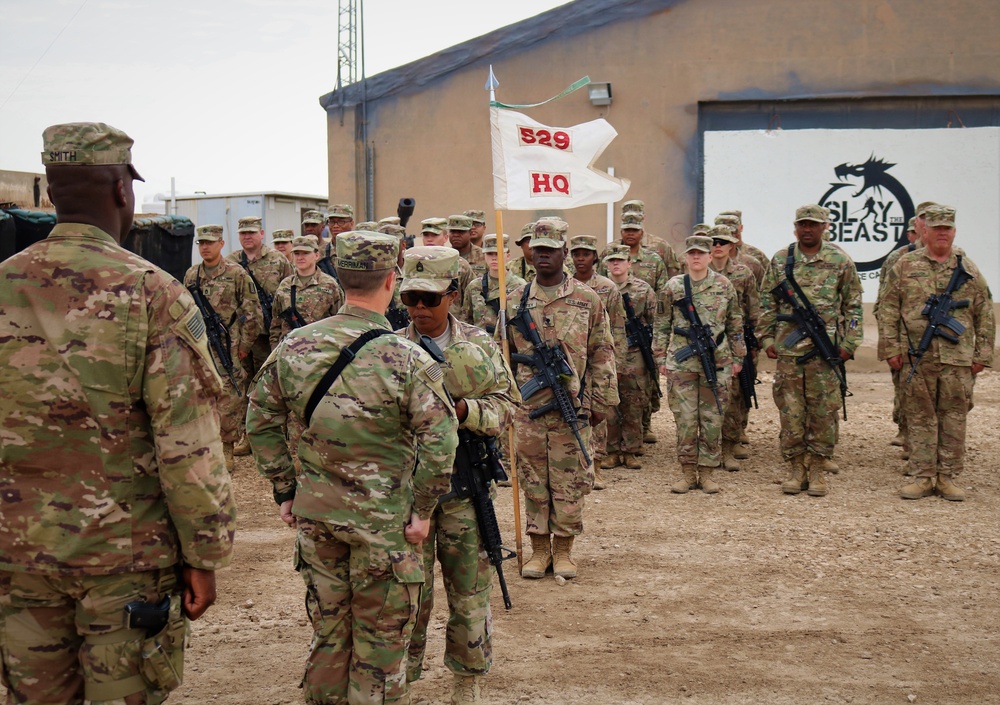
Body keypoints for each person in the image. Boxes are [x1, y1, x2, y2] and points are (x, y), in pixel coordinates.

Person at [0, 121, 236, 704]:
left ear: (52, 193)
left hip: (17, 555)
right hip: (123, 561)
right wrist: (203, 554)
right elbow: (187, 446)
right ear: (122, 191)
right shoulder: (152, 293)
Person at [247, 231, 458, 705]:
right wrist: (423, 510)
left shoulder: (295, 347)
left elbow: (258, 420)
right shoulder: (407, 357)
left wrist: (285, 489)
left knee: (329, 634)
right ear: (391, 281)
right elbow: (441, 439)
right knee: (380, 644)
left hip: (318, 516)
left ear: (340, 279)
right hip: (386, 524)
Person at [397, 246, 519, 705]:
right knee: (409, 596)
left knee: (469, 594)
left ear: (453, 295)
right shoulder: (389, 346)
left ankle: (467, 682)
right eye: (411, 299)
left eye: (430, 299)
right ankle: (400, 682)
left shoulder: (480, 345)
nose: (419, 309)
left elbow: (508, 406)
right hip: (407, 495)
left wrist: (465, 410)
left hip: (465, 489)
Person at [499, 219, 619, 580]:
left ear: (564, 252)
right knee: (533, 477)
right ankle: (538, 550)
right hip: (528, 407)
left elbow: (602, 351)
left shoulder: (587, 299)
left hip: (573, 405)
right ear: (531, 253)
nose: (543, 255)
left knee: (570, 478)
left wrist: (602, 400)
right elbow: (500, 354)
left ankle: (564, 549)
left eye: (551, 249)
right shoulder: (516, 300)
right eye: (538, 250)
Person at [878, 205, 995, 501]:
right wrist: (891, 348)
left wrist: (982, 354)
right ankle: (923, 475)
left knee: (954, 416)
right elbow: (888, 308)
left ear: (954, 232)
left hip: (957, 358)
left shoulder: (967, 268)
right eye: (937, 228)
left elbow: (984, 313)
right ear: (924, 231)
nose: (942, 233)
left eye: (948, 229)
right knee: (919, 416)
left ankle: (947, 476)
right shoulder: (905, 265)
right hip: (918, 356)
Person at [759, 204, 864, 497]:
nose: (808, 229)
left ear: (824, 228)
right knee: (791, 412)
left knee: (822, 411)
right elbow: (766, 303)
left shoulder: (839, 260)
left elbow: (853, 307)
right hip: (789, 353)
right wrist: (766, 339)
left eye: (814, 225)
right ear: (796, 228)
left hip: (825, 352)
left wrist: (849, 344)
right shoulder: (782, 260)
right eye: (803, 224)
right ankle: (795, 468)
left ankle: (817, 469)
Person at [656, 235, 745, 494]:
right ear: (686, 257)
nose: (696, 257)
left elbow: (735, 323)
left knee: (712, 418)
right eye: (692, 253)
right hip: (681, 362)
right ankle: (687, 472)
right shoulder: (672, 287)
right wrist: (660, 358)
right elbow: (661, 324)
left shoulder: (723, 285)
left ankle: (706, 473)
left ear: (709, 257)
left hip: (717, 361)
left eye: (701, 253)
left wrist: (738, 357)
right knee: (685, 419)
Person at [184, 223, 262, 469]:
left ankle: (226, 447)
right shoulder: (192, 275)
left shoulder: (236, 274)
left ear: (221, 244)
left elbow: (252, 312)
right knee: (199, 393)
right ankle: (203, 444)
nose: (205, 247)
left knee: (229, 395)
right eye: (201, 243)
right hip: (200, 344)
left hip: (229, 344)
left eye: (209, 242)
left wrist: (245, 345)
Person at [227, 215, 293, 456]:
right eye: (243, 233)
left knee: (270, 384)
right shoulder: (232, 262)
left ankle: (274, 435)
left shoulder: (278, 260)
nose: (247, 237)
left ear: (262, 234)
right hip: (242, 333)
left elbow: (289, 294)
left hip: (269, 334)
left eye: (252, 233)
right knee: (242, 383)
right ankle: (246, 435)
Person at [874, 203, 935, 454]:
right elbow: (883, 303)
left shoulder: (959, 260)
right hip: (906, 341)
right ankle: (910, 437)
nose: (927, 224)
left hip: (945, 344)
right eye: (923, 219)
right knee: (908, 391)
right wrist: (891, 343)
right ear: (916, 224)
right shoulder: (898, 259)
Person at [571, 234, 627, 482]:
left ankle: (598, 466)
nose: (581, 258)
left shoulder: (608, 288)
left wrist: (618, 363)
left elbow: (618, 327)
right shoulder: (565, 285)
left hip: (597, 359)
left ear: (595, 257)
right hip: (571, 361)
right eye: (576, 254)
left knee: (598, 411)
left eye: (586, 254)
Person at [707, 225, 760, 472]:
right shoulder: (697, 272)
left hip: (734, 342)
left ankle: (730, 443)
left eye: (723, 242)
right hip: (704, 344)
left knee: (735, 394)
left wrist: (753, 344)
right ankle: (708, 447)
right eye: (714, 241)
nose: (718, 246)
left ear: (732, 245)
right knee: (706, 397)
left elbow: (754, 309)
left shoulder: (743, 273)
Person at [603, 244, 659, 471]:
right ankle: (612, 450)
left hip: (635, 352)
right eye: (612, 260)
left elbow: (656, 321)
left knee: (634, 401)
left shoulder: (643, 290)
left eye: (620, 260)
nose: (616, 264)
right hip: (607, 352)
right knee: (609, 403)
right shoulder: (599, 288)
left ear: (629, 263)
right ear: (606, 264)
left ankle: (631, 450)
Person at [269, 235, 344, 348]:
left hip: (319, 350)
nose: (300, 257)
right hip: (289, 351)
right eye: (297, 253)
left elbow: (339, 322)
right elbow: (276, 324)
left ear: (316, 255)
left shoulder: (330, 285)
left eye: (305, 253)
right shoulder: (285, 285)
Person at [462, 233, 526, 334]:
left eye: (498, 253)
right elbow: (466, 321)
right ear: (484, 255)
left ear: (508, 255)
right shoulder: (475, 286)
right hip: (481, 345)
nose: (494, 258)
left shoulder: (520, 286)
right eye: (490, 254)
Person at [422, 216, 474, 319]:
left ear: (446, 238)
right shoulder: (415, 264)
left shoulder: (460, 265)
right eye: (426, 235)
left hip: (451, 323)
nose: (429, 239)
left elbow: (471, 298)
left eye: (434, 235)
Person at [621, 199, 682, 278]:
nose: (632, 219)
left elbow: (674, 278)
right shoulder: (612, 248)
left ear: (644, 217)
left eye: (636, 216)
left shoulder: (661, 246)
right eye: (627, 217)